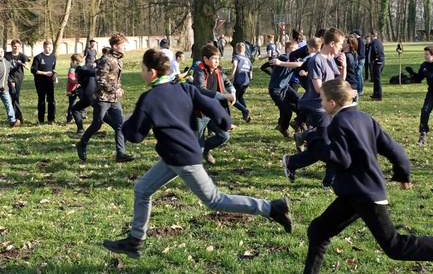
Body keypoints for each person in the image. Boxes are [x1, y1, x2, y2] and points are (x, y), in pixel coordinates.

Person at [101, 49, 292, 259]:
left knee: (216, 200)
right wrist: (225, 122)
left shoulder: (149, 99)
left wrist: (125, 123)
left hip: (183, 158)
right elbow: (213, 107)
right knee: (142, 188)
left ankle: (272, 208)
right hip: (174, 156)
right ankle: (135, 241)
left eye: (143, 70)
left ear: (153, 73)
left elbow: (136, 136)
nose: (141, 73)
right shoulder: (184, 89)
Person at [299, 78, 433, 274]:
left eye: (322, 99)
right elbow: (394, 149)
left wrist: (313, 139)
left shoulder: (338, 124)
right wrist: (402, 174)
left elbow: (340, 160)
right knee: (318, 231)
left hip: (365, 195)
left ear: (333, 103)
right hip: (353, 194)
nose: (320, 103)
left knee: (396, 247)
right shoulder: (366, 119)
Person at [282, 28, 346, 188]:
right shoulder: (316, 61)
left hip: (330, 107)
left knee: (332, 143)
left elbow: (338, 81)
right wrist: (340, 91)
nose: (341, 47)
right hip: (317, 107)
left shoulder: (331, 58)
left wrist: (343, 68)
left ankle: (297, 155)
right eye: (339, 44)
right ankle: (328, 180)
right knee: (328, 146)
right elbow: (319, 88)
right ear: (331, 43)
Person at [75, 32, 134, 163]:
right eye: (123, 45)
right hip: (101, 98)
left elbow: (114, 78)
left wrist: (118, 88)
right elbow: (100, 79)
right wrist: (114, 90)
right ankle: (82, 144)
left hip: (113, 99)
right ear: (115, 46)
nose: (125, 47)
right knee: (97, 124)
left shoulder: (118, 59)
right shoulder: (106, 60)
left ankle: (121, 153)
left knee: (120, 125)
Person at [193, 43, 236, 164]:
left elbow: (227, 82)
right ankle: (195, 162)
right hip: (199, 112)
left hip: (213, 111)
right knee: (198, 144)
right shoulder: (199, 70)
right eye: (214, 58)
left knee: (224, 136)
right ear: (205, 59)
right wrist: (223, 96)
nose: (217, 61)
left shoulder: (218, 71)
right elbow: (200, 89)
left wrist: (233, 91)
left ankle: (205, 150)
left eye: (218, 58)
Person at [266, 41, 300, 137]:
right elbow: (296, 65)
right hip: (275, 90)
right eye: (294, 48)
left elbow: (297, 68)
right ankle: (283, 128)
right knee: (287, 111)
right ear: (288, 49)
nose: (297, 51)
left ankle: (299, 123)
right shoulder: (283, 58)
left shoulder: (292, 60)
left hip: (285, 87)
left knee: (299, 101)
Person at [31, 40, 57, 124]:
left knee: (51, 100)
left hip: (49, 81)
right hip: (40, 81)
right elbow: (34, 70)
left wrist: (54, 75)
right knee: (41, 100)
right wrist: (45, 73)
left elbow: (53, 68)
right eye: (47, 47)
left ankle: (51, 119)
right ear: (44, 47)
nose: (49, 49)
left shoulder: (53, 57)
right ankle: (41, 120)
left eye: (50, 48)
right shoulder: (38, 57)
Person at [5, 39, 30, 122]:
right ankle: (18, 117)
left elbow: (28, 67)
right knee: (13, 95)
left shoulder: (22, 56)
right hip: (9, 78)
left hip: (18, 78)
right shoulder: (7, 55)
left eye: (18, 46)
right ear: (12, 46)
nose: (16, 48)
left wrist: (21, 63)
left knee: (15, 96)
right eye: (15, 46)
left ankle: (16, 116)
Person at [230, 42, 252, 122]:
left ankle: (244, 110)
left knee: (233, 99)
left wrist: (231, 76)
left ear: (236, 49)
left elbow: (235, 65)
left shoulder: (236, 57)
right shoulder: (248, 59)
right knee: (240, 97)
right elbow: (251, 72)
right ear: (244, 50)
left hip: (239, 81)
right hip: (246, 82)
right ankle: (245, 115)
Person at [0, 47, 20, 127]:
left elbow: (8, 73)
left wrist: (11, 80)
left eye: (2, 51)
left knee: (8, 104)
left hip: (4, 88)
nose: (1, 53)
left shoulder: (7, 63)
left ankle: (12, 121)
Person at [66, 54, 82, 124]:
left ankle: (82, 113)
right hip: (72, 89)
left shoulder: (80, 68)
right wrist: (78, 81)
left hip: (80, 88)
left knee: (84, 100)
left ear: (74, 62)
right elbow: (71, 79)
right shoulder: (72, 69)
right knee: (72, 104)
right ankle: (69, 118)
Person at [369, 30, 384, 101]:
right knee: (375, 78)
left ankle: (379, 95)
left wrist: (375, 58)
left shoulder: (374, 42)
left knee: (377, 79)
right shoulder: (379, 41)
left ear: (372, 35)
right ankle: (375, 94)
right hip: (382, 61)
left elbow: (375, 51)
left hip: (377, 62)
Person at [352, 29, 365, 95]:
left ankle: (360, 89)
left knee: (358, 74)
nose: (354, 35)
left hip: (360, 59)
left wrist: (356, 58)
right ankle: (360, 88)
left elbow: (360, 52)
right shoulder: (359, 40)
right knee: (359, 74)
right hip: (360, 59)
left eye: (354, 34)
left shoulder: (360, 41)